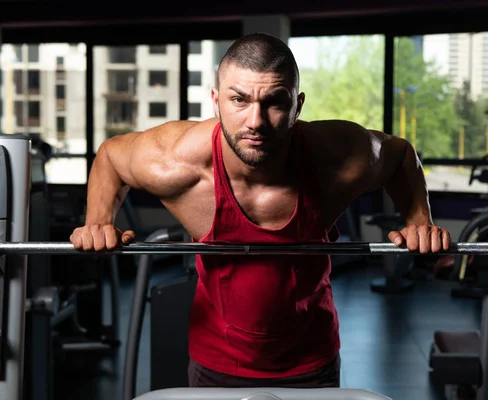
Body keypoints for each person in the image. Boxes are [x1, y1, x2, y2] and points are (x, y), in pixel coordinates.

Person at [70, 32, 452, 388]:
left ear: (297, 105)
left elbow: (399, 154)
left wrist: (419, 220)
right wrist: (97, 221)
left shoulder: (335, 158)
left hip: (313, 360)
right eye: (239, 100)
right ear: (216, 100)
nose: (255, 122)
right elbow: (112, 157)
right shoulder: (177, 162)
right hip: (214, 364)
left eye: (275, 102)